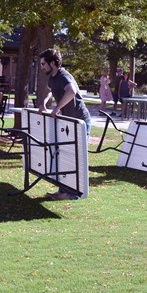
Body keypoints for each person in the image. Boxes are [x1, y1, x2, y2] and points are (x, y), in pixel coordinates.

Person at [38, 48, 92, 201]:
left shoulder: (63, 76)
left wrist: (57, 108)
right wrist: (43, 102)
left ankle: (74, 194)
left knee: (76, 157)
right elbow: (49, 90)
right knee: (65, 155)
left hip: (80, 121)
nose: (42, 67)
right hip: (68, 122)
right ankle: (63, 191)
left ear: (53, 63)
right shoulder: (52, 77)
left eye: (43, 64)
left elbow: (72, 91)